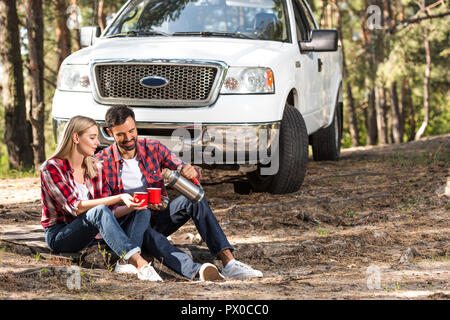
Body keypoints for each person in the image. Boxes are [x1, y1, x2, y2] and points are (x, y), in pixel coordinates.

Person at [95, 106, 263, 281]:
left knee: (194, 199)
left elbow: (181, 166)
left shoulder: (152, 147)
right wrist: (137, 204)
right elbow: (106, 208)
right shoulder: (103, 162)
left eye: (132, 131)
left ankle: (229, 263)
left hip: (158, 215)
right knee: (150, 235)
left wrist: (191, 171)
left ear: (136, 126)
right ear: (109, 132)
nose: (129, 138)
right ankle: (198, 271)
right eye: (121, 134)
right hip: (129, 226)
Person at [41, 115, 162, 281]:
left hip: (92, 234)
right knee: (98, 210)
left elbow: (109, 213)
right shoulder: (52, 168)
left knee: (142, 211)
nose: (97, 143)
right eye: (92, 138)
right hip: (62, 234)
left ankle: (124, 263)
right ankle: (140, 264)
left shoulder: (95, 167)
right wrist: (119, 197)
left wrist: (133, 205)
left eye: (97, 137)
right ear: (76, 137)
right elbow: (75, 207)